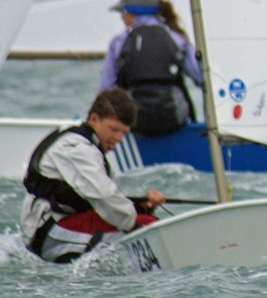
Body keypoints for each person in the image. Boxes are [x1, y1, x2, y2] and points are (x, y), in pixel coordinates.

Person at [21, 88, 167, 263]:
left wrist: (139, 207)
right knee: (148, 226)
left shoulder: (89, 147)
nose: (119, 137)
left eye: (123, 132)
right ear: (94, 119)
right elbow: (104, 196)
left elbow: (105, 201)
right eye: (114, 129)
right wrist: (136, 226)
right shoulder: (76, 148)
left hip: (55, 228)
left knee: (144, 220)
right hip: (48, 234)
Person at [99, 0, 202, 135]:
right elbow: (201, 77)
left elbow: (106, 88)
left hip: (135, 121)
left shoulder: (118, 42)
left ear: (132, 13)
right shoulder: (177, 39)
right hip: (174, 120)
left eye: (123, 13)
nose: (122, 18)